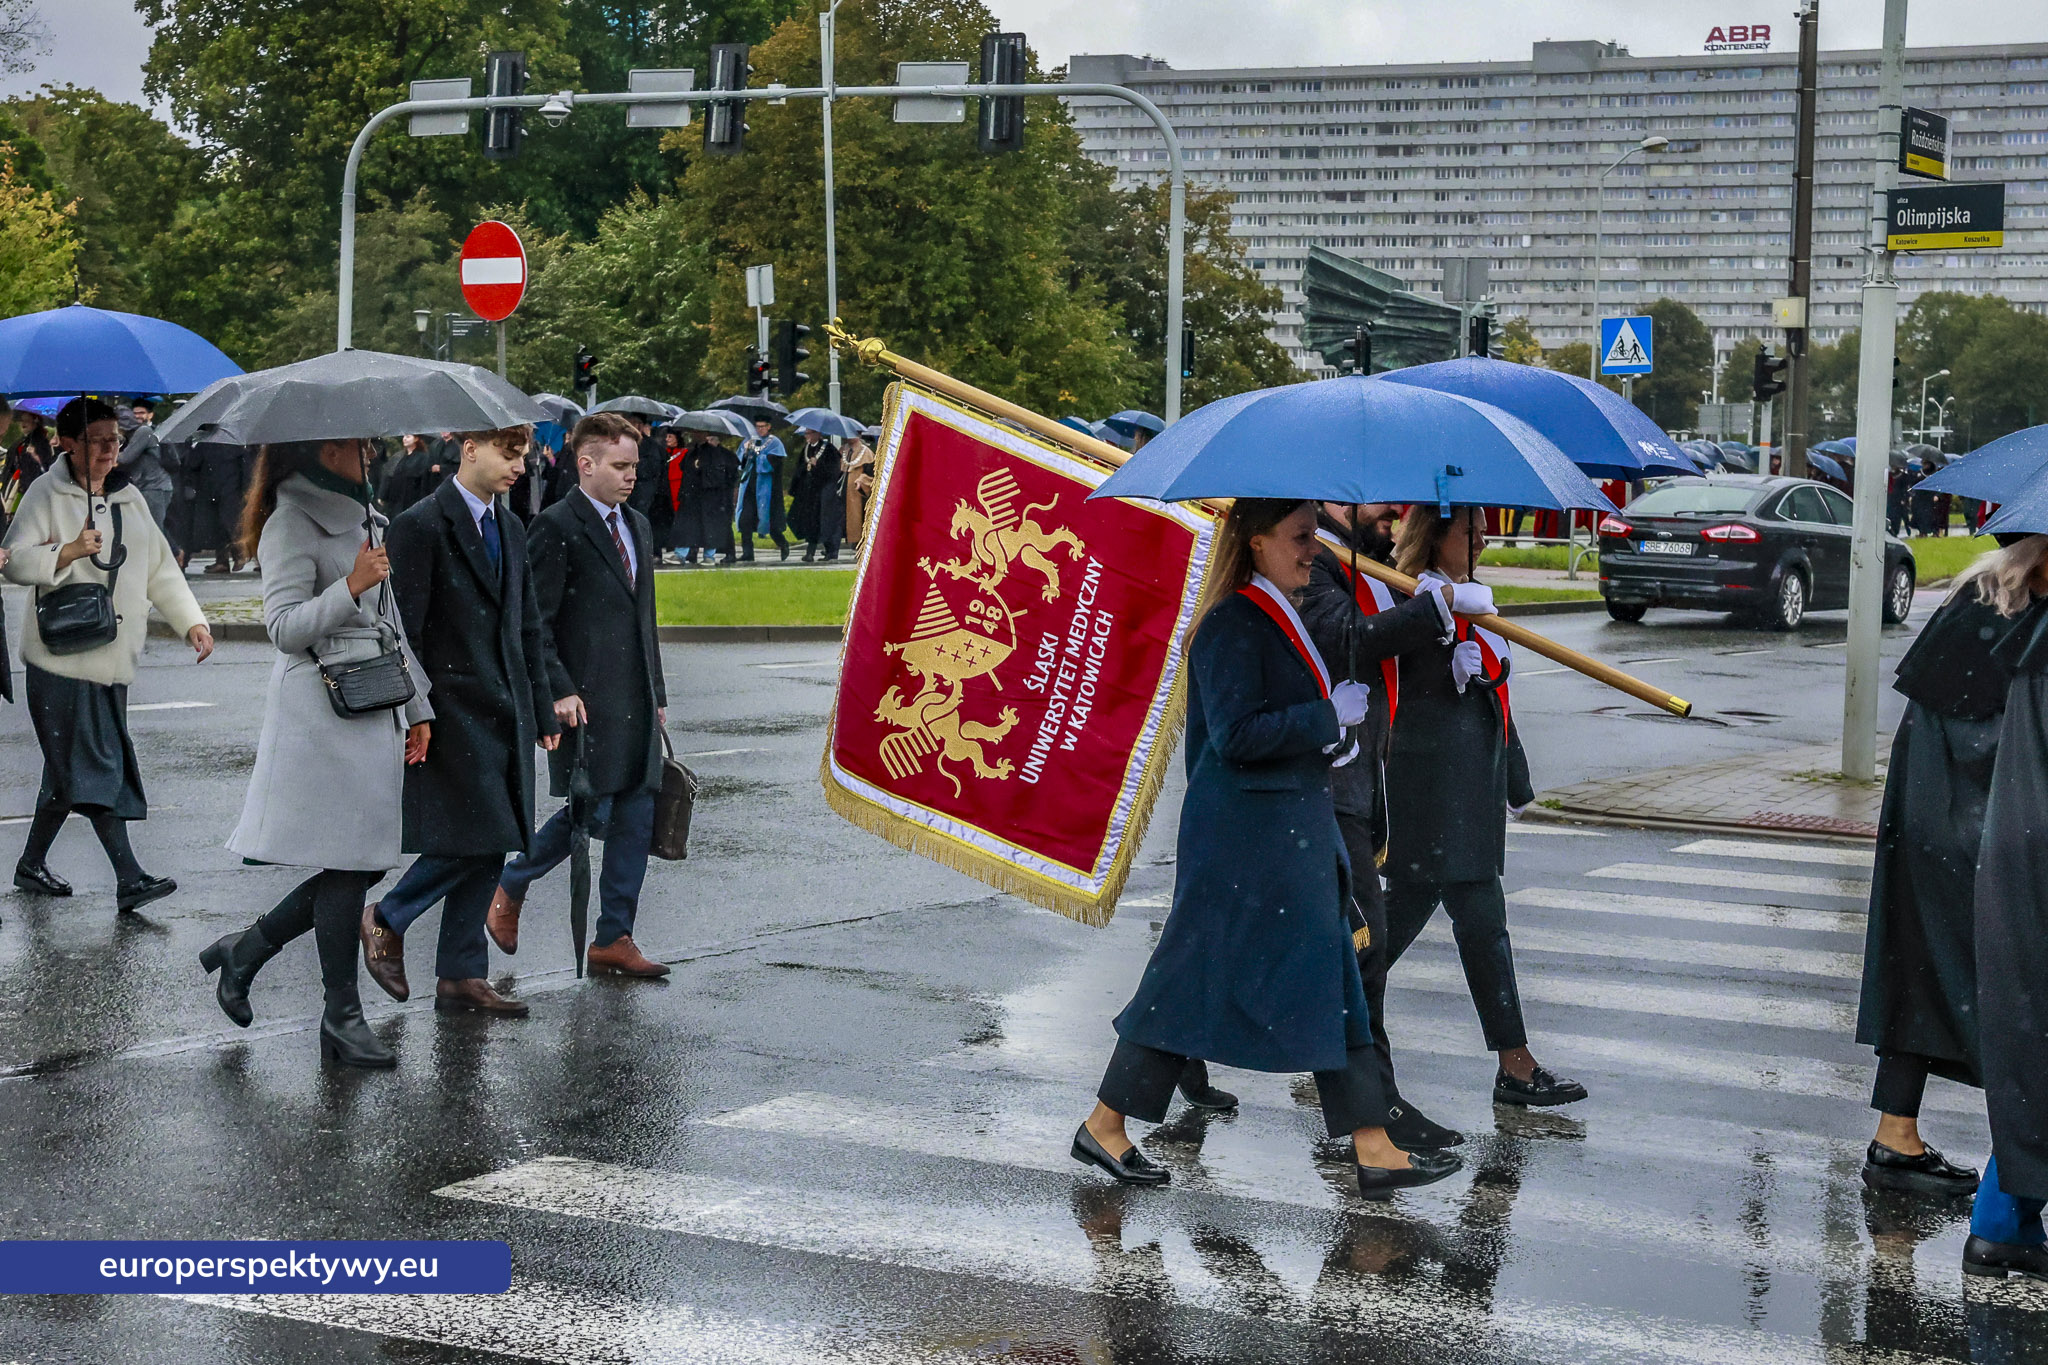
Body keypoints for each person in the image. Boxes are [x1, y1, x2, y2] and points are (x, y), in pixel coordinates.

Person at [1073, 498, 1463, 1200]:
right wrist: (1323, 716)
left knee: (1334, 980)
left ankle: (1373, 1144)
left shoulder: (1282, 616)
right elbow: (1235, 736)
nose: (1312, 549)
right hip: (1243, 844)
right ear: (1256, 544)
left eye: (1314, 536)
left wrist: (1333, 731)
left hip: (1288, 833)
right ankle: (1105, 1123)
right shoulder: (1230, 625)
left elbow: (1282, 725)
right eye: (1299, 537)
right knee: (1186, 986)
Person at [203, 437, 433, 1067]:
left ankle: (245, 952)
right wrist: (351, 586)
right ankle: (342, 1013)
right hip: (323, 709)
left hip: (376, 701)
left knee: (356, 866)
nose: (370, 453)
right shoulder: (290, 521)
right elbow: (282, 628)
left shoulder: (367, 516)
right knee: (350, 863)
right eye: (360, 445)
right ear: (326, 450)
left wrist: (419, 707)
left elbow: (393, 625)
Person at [1299, 501, 1493, 1151]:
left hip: (1358, 788)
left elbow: (1391, 653)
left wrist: (1440, 618)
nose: (1394, 511)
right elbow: (1350, 638)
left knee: (1249, 952)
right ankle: (1375, 1122)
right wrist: (1431, 609)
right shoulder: (1315, 564)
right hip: (1322, 790)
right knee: (1364, 948)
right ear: (1333, 495)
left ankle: (1160, 1054)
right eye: (1380, 496)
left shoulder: (1364, 562)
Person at [1380, 503, 1586, 1107]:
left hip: (1471, 788)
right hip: (1430, 789)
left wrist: (1514, 782)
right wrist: (1438, 656)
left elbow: (1499, 707)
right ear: (1434, 535)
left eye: (1481, 529)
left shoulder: (1478, 604)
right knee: (1478, 924)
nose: (1481, 539)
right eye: (1468, 531)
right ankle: (1514, 1065)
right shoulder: (1409, 600)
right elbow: (1394, 688)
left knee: (1416, 924)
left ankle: (1332, 1023)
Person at [1855, 537, 2042, 1198]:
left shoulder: (1980, 594)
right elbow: (2017, 742)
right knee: (2012, 988)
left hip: (1927, 811)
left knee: (1923, 968)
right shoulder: (2027, 619)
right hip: (1974, 821)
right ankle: (2015, 1181)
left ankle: (1895, 1136)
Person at [361, 425, 560, 1018]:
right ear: (468, 449)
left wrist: (541, 705)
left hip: (508, 707)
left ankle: (461, 974)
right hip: (448, 708)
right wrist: (415, 711)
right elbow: (406, 633)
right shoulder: (420, 524)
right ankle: (388, 915)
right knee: (476, 832)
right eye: (507, 452)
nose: (518, 466)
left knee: (494, 838)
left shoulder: (512, 526)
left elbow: (527, 625)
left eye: (522, 454)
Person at [3, 397, 212, 909]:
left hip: (112, 658)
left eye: (113, 440)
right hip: (60, 658)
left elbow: (160, 566)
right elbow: (13, 561)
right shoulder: (43, 494)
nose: (108, 450)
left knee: (66, 773)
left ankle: (31, 865)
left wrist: (192, 621)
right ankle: (130, 877)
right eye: (96, 441)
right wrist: (68, 550)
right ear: (68, 443)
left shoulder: (130, 498)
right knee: (95, 767)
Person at [488, 412, 672, 979]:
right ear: (585, 463)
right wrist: (559, 689)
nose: (630, 476)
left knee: (637, 815)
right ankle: (513, 881)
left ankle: (614, 937)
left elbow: (646, 621)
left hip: (636, 699)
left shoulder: (637, 524)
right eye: (619, 466)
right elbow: (534, 621)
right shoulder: (556, 525)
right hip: (585, 703)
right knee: (591, 811)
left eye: (635, 467)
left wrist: (658, 693)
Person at [1968, 553, 2048, 1281]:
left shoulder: (2035, 635)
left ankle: (2004, 1220)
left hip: (2019, 855)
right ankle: (2002, 1222)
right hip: (2037, 863)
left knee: (2031, 1047)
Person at [118, 396, 177, 547]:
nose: (138, 416)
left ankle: (174, 557)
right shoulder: (140, 432)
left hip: (154, 487)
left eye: (141, 413)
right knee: (153, 527)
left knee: (154, 529)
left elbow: (125, 458)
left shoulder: (144, 431)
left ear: (150, 415)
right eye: (135, 413)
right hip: (152, 486)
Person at [192, 442, 254, 573]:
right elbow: (246, 467)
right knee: (226, 524)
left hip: (217, 488)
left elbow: (193, 464)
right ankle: (230, 558)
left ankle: (231, 557)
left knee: (227, 524)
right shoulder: (234, 444)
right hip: (228, 489)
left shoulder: (205, 443)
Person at [736, 419, 789, 561]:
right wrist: (747, 452)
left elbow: (774, 464)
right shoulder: (750, 441)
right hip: (749, 486)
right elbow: (741, 463)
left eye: (763, 426)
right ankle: (748, 552)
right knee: (745, 519)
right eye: (757, 426)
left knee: (770, 521)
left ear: (769, 426)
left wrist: (759, 456)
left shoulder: (774, 443)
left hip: (767, 488)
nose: (760, 429)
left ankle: (783, 544)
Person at [788, 428, 844, 563]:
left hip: (823, 491)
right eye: (806, 434)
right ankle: (812, 552)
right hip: (809, 492)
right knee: (811, 522)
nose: (807, 436)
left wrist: (818, 465)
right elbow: (799, 467)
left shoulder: (829, 449)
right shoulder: (806, 449)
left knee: (823, 521)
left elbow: (833, 470)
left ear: (817, 434)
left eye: (809, 433)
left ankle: (827, 551)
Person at [685, 433, 738, 566]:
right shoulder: (700, 453)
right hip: (705, 494)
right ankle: (694, 551)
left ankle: (729, 553)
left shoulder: (726, 456)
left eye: (711, 440)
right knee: (701, 523)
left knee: (721, 525)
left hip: (721, 496)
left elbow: (731, 476)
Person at [629, 417, 674, 553]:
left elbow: (653, 468)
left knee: (643, 516)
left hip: (646, 487)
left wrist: (636, 467)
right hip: (632, 485)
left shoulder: (651, 446)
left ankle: (648, 548)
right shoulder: (626, 443)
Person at [841, 434, 877, 550]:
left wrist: (862, 480)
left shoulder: (866, 452)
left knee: (858, 516)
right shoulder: (843, 450)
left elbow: (871, 473)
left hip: (858, 493)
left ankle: (860, 542)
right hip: (843, 492)